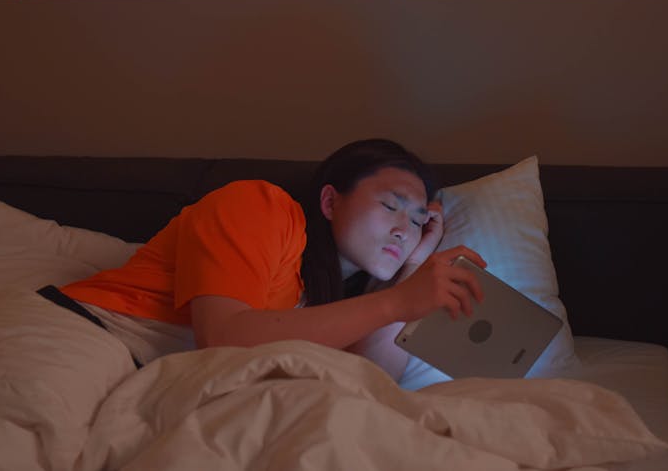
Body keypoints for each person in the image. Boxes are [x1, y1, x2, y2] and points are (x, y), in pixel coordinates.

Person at [52, 138, 486, 380]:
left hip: (144, 381)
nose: (403, 230)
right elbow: (224, 338)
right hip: (81, 335)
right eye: (391, 207)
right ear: (331, 201)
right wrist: (396, 302)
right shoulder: (261, 205)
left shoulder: (330, 304)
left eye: (417, 222)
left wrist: (407, 276)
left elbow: (369, 381)